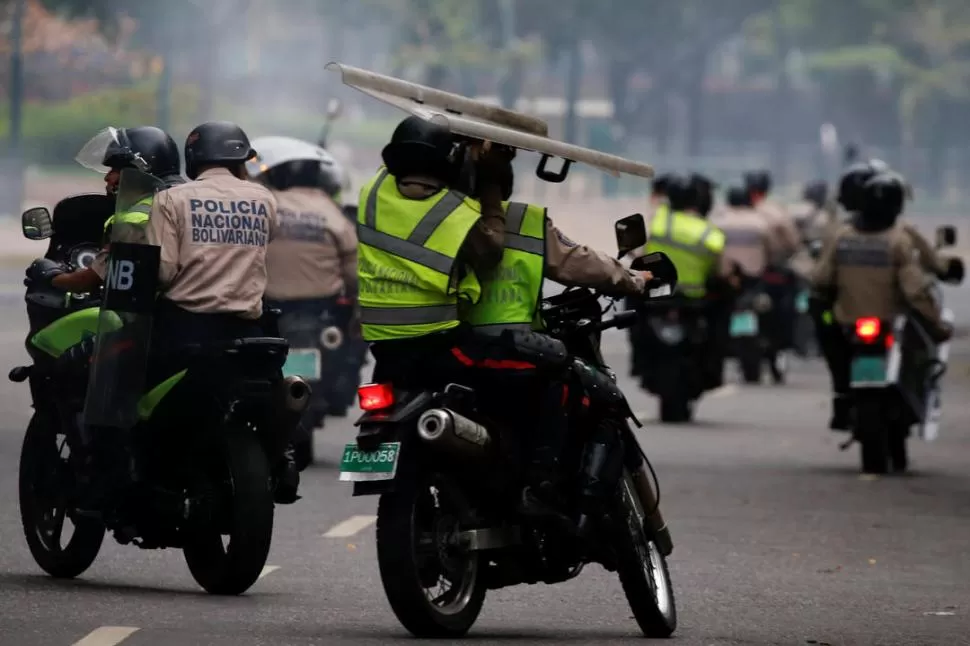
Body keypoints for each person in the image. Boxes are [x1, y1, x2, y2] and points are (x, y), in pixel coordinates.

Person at [358, 116, 653, 526]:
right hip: (443, 347)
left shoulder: (376, 197)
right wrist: (635, 280)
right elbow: (567, 260)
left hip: (385, 351)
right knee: (556, 369)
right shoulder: (466, 216)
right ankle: (541, 487)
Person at [143, 121, 301, 503]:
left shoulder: (172, 200)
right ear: (240, 159)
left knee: (138, 406)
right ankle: (282, 460)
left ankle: (148, 476)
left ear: (194, 157)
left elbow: (161, 271)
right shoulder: (263, 199)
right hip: (248, 329)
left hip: (185, 330)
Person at [811, 171, 953, 430]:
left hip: (847, 323)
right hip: (890, 320)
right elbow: (916, 290)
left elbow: (821, 279)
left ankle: (843, 393)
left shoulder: (842, 237)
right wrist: (937, 324)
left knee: (828, 330)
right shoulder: (900, 239)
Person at [248, 137, 359, 420]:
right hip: (320, 311)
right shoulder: (331, 213)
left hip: (269, 309)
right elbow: (352, 271)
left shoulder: (267, 205)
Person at [50, 126, 184, 293]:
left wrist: (50, 276)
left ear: (139, 169)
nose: (107, 177)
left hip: (151, 314)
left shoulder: (135, 219)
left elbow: (89, 281)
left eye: (115, 169)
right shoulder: (186, 201)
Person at [642, 174, 728, 385]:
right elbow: (720, 271)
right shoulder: (710, 233)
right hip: (693, 298)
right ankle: (714, 366)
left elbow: (641, 253)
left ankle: (640, 360)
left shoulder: (658, 222)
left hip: (658, 294)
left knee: (634, 310)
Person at [710, 186, 776, 280]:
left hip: (724, 278)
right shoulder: (760, 222)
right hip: (755, 276)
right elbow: (772, 248)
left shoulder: (717, 223)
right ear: (749, 201)